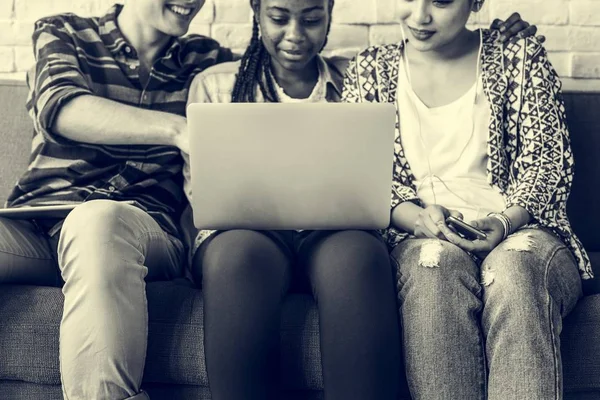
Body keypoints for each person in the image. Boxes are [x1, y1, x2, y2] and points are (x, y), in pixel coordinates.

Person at [182, 1, 541, 399]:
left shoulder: (355, 74)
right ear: (256, 12)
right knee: (236, 257)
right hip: (246, 231)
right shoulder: (215, 85)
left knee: (358, 256)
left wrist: (504, 33)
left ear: (331, 14)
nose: (296, 34)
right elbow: (204, 190)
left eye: (313, 19)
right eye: (279, 18)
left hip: (333, 229)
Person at [341, 0, 593, 399]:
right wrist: (421, 219)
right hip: (419, 234)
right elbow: (361, 171)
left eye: (441, 1)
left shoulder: (518, 56)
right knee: (433, 268)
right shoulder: (368, 69)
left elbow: (547, 161)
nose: (420, 17)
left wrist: (505, 222)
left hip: (521, 227)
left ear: (476, 1)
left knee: (513, 269)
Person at [0, 0, 232, 399]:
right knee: (87, 222)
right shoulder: (65, 32)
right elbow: (60, 108)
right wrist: (177, 129)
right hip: (38, 223)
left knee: (96, 222)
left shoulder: (206, 61)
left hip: (141, 229)